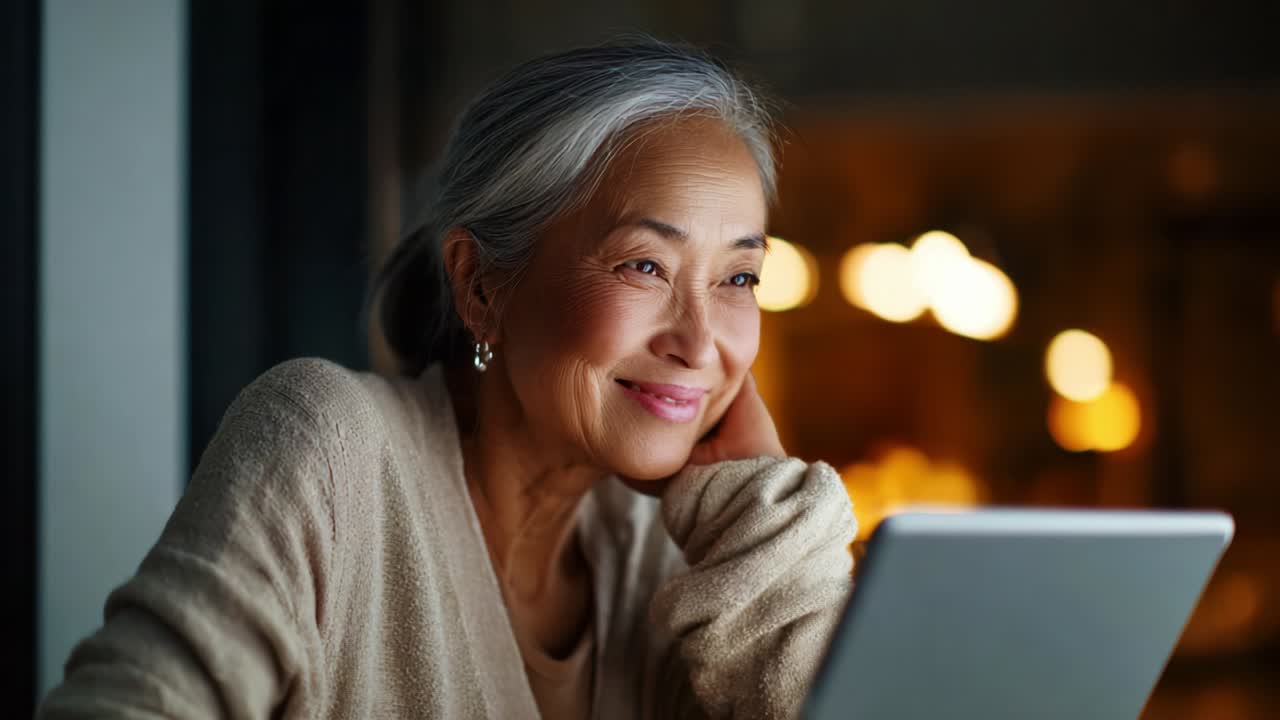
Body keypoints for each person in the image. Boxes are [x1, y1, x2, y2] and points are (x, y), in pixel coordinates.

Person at [38, 39, 856, 719]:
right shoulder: (333, 451)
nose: (701, 339)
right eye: (645, 265)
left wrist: (765, 538)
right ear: (480, 286)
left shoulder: (679, 556)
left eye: (740, 278)